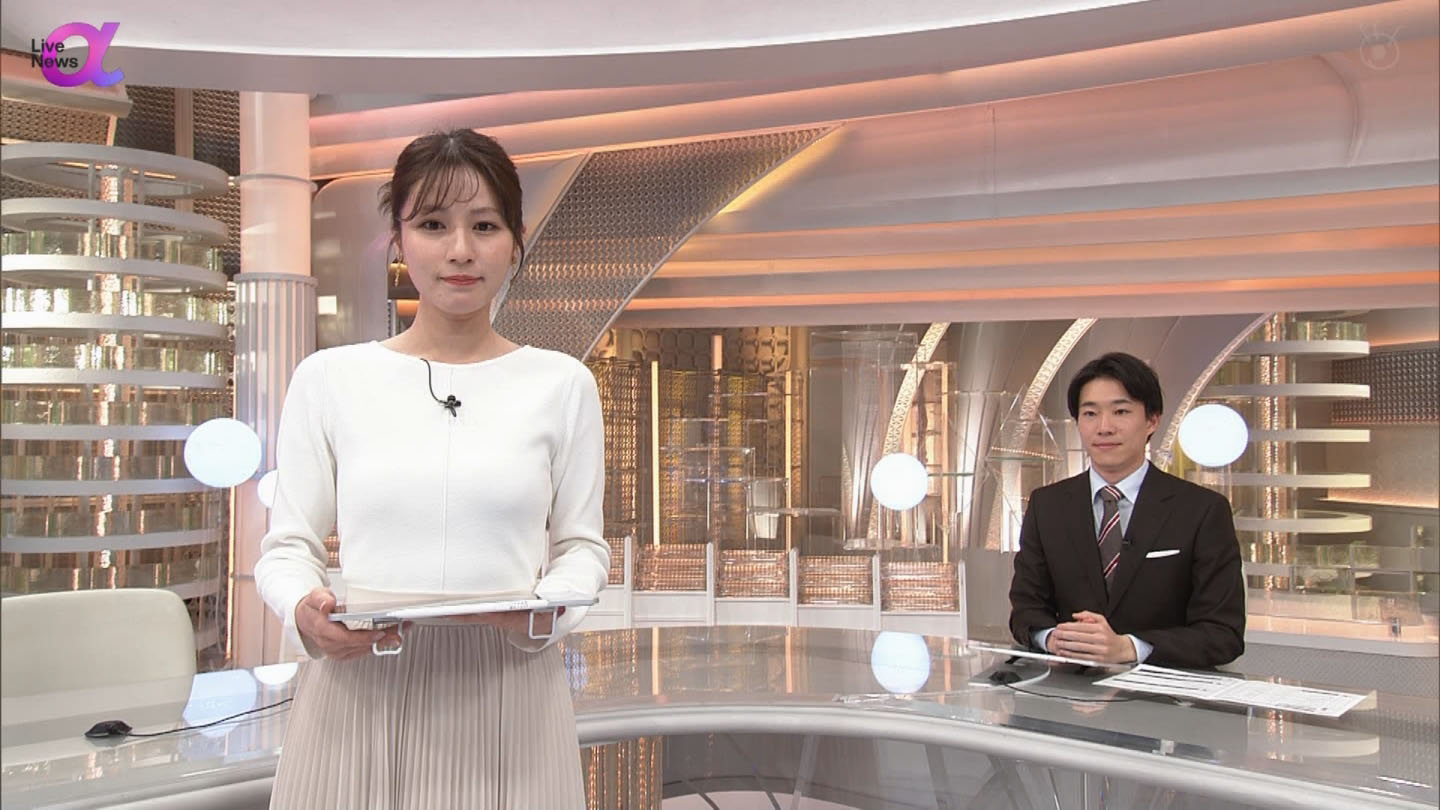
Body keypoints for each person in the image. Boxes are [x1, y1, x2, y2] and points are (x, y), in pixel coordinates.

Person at [255, 129, 609, 809]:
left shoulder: (562, 384)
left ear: (515, 241)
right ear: (398, 238)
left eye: (485, 226)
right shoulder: (330, 379)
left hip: (509, 689)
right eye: (433, 225)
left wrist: (543, 613)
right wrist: (304, 609)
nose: (460, 250)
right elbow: (287, 547)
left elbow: (581, 548)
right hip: (362, 686)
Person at [1008, 352, 1245, 669]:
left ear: (1152, 420)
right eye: (1090, 413)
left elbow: (1223, 634)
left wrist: (1129, 647)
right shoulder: (1046, 506)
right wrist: (1053, 639)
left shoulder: (1202, 511)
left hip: (1164, 692)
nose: (1104, 427)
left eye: (1120, 411)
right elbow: (1026, 612)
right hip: (1069, 687)